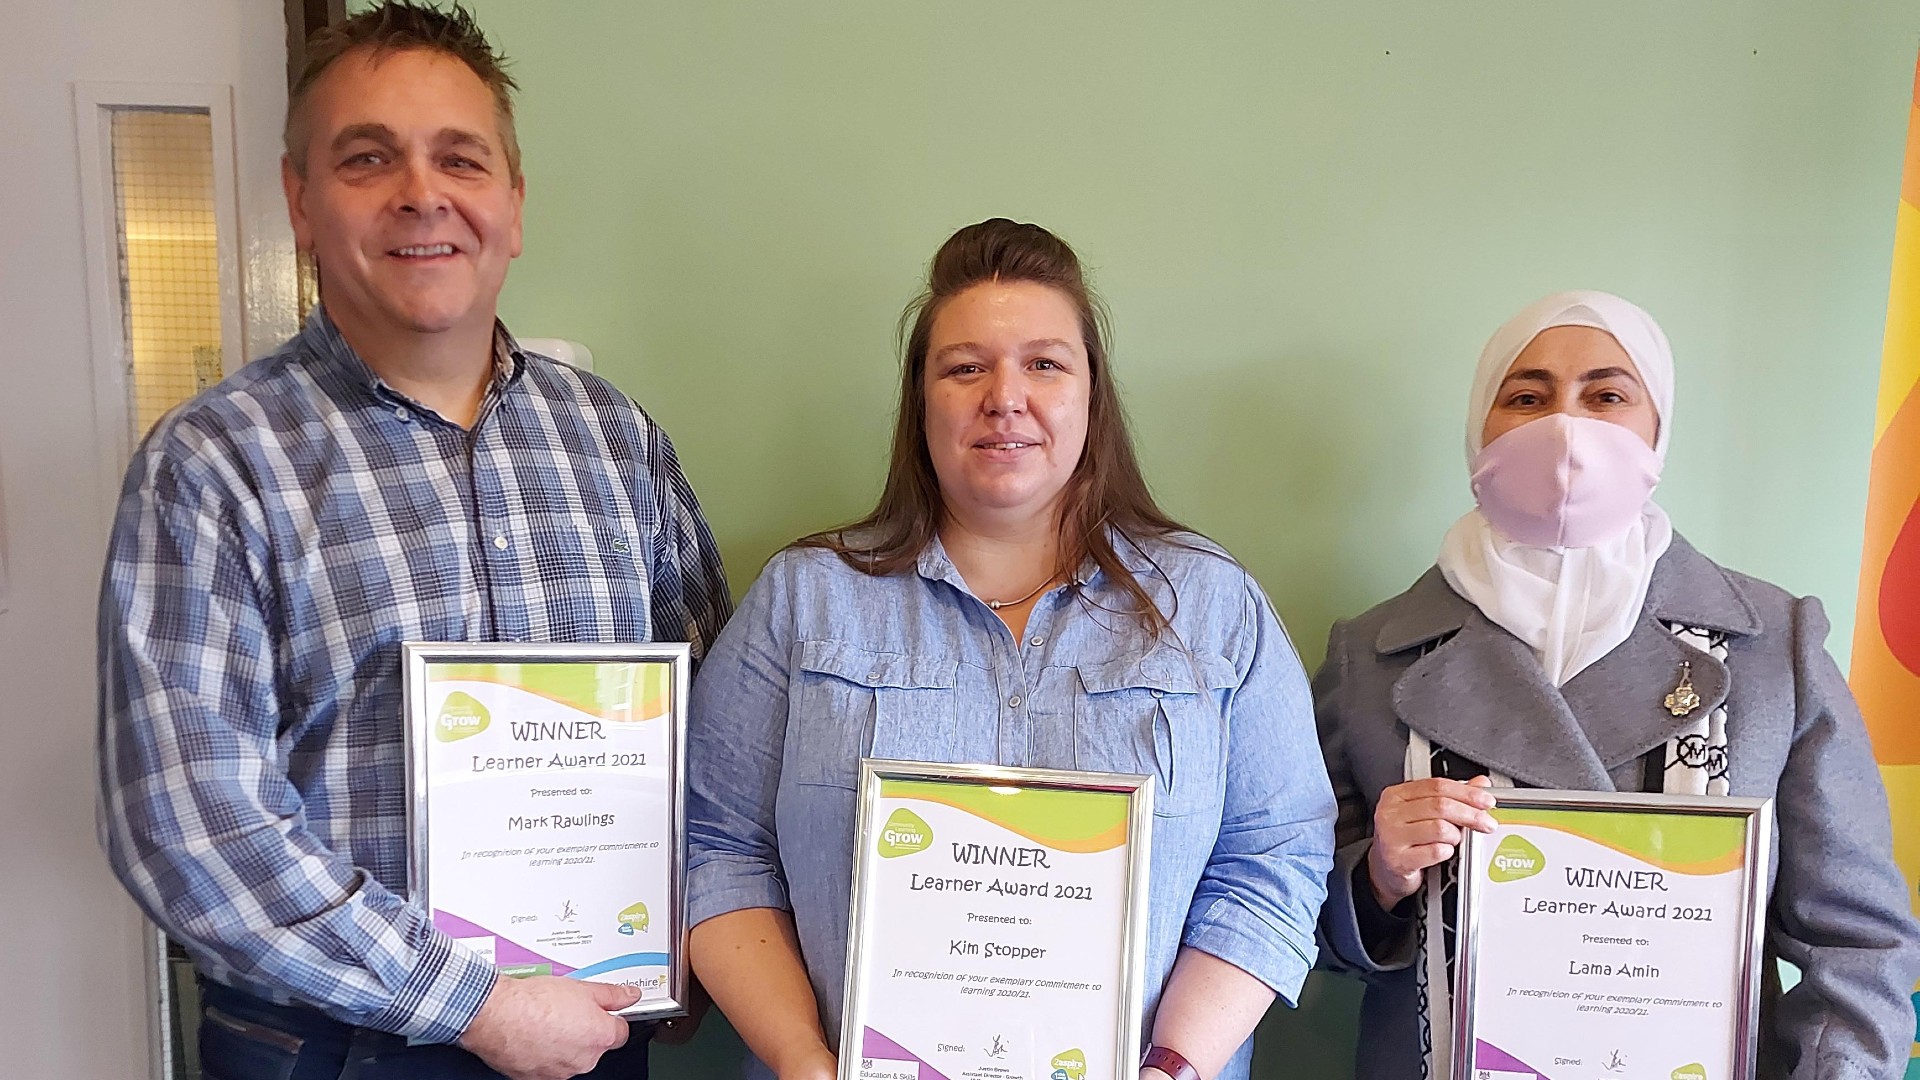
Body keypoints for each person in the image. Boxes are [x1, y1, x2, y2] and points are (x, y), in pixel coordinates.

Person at [96, 5, 730, 1078]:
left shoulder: (618, 444)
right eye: (368, 157)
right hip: (330, 1047)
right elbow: (189, 827)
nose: (422, 193)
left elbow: (713, 736)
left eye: (460, 158)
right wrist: (471, 1005)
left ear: (514, 206)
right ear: (301, 201)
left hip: (595, 1028)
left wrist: (694, 943)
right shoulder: (214, 465)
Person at [683, 218, 1336, 1080]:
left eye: (1044, 363)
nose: (1005, 395)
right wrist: (805, 1064)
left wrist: (1174, 1068)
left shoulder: (1212, 607)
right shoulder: (806, 599)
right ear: (921, 401)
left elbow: (1275, 856)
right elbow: (717, 846)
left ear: (1091, 395)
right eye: (964, 366)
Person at [1313, 290, 1920, 1079]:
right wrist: (1377, 879)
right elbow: (1295, 919)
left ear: (1657, 428)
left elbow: (1859, 940)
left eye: (1607, 395)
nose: (1566, 427)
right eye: (1527, 397)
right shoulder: (1371, 654)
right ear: (1480, 429)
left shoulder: (1776, 645)